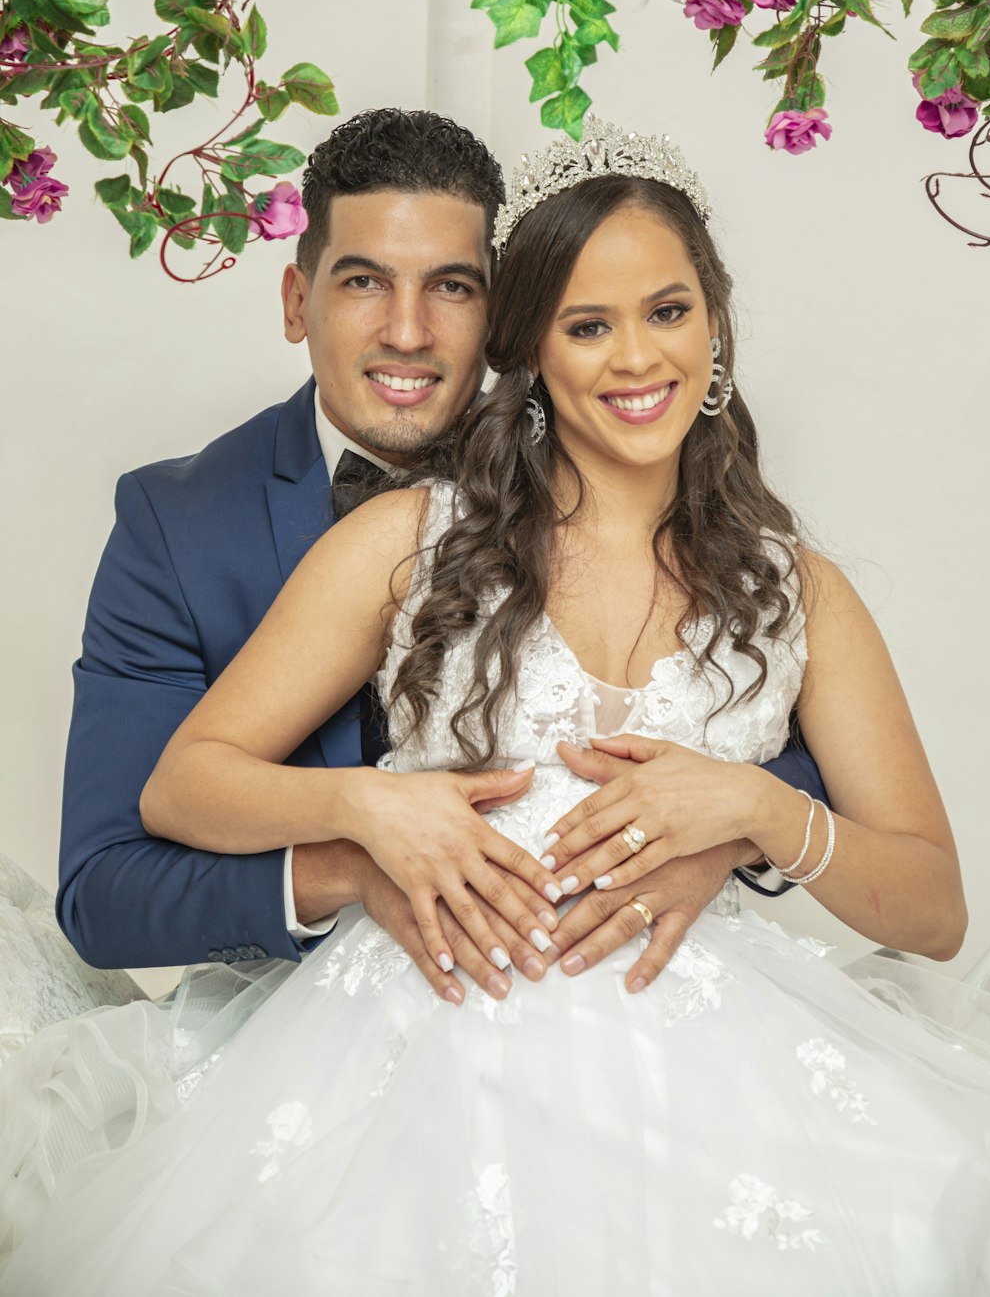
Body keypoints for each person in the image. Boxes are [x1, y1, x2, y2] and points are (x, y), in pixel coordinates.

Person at [2, 118, 990, 1294]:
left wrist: (753, 815)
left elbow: (931, 905)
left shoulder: (796, 591)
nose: (635, 357)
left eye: (667, 312)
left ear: (715, 327)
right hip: (416, 1041)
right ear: (533, 354)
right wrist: (370, 817)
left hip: (711, 1051)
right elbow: (171, 795)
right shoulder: (403, 539)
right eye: (587, 325)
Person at [55, 106, 826, 1006]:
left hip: (623, 1004)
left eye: (454, 287)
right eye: (363, 283)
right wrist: (353, 863)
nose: (410, 332)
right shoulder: (176, 522)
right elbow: (105, 894)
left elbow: (798, 743)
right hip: (305, 1037)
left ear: (512, 313)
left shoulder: (617, 471)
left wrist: (727, 838)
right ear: (298, 303)